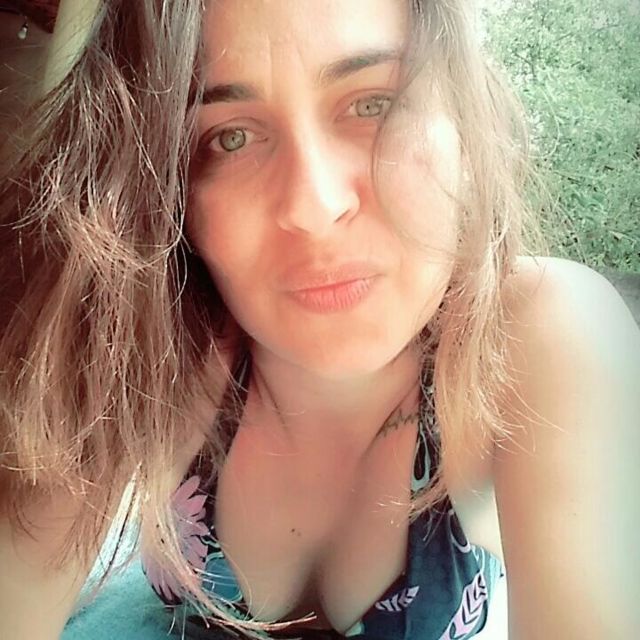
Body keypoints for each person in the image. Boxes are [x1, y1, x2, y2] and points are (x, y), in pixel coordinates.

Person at [0, 1, 638, 639]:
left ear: (467, 126)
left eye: (373, 104)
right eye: (230, 137)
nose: (314, 206)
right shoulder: (142, 337)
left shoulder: (542, 332)